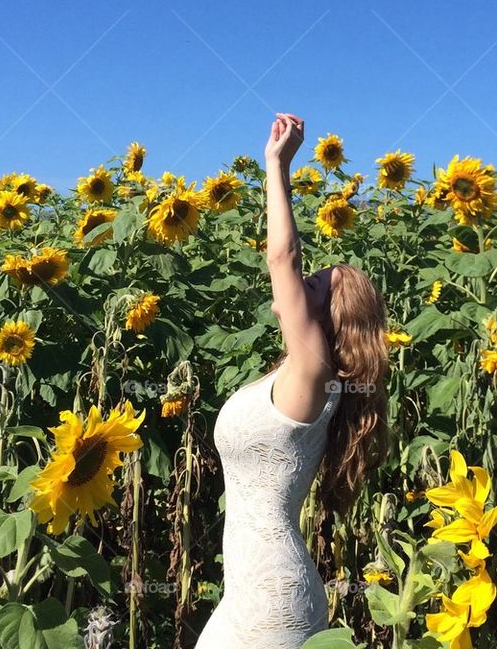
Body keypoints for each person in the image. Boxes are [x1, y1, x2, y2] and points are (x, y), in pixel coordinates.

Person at [194, 112, 391, 649]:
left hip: (272, 594)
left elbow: (281, 255)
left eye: (314, 285)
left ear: (327, 320)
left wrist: (276, 166)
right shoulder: (289, 377)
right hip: (247, 589)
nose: (295, 286)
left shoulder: (314, 373)